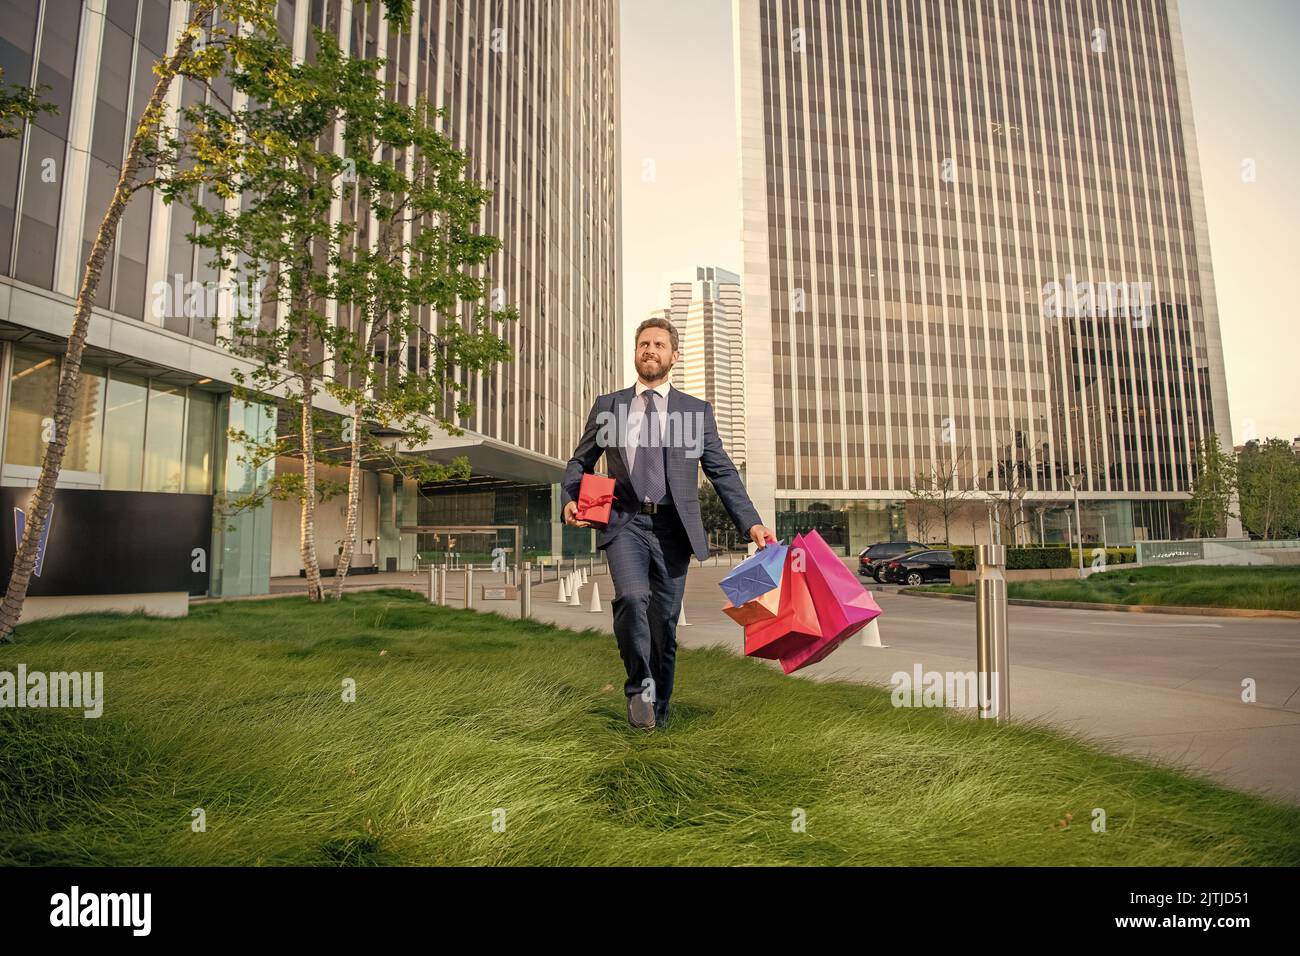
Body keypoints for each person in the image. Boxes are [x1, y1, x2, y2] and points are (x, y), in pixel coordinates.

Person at [561, 317, 774, 730]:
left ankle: (655, 715)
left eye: (659, 344)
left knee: (664, 627)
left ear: (674, 355)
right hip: (625, 523)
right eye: (643, 344)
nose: (650, 350)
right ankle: (638, 689)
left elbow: (723, 472)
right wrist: (572, 498)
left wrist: (752, 525)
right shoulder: (610, 406)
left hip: (675, 532)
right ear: (635, 351)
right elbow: (580, 461)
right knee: (632, 599)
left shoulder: (695, 412)